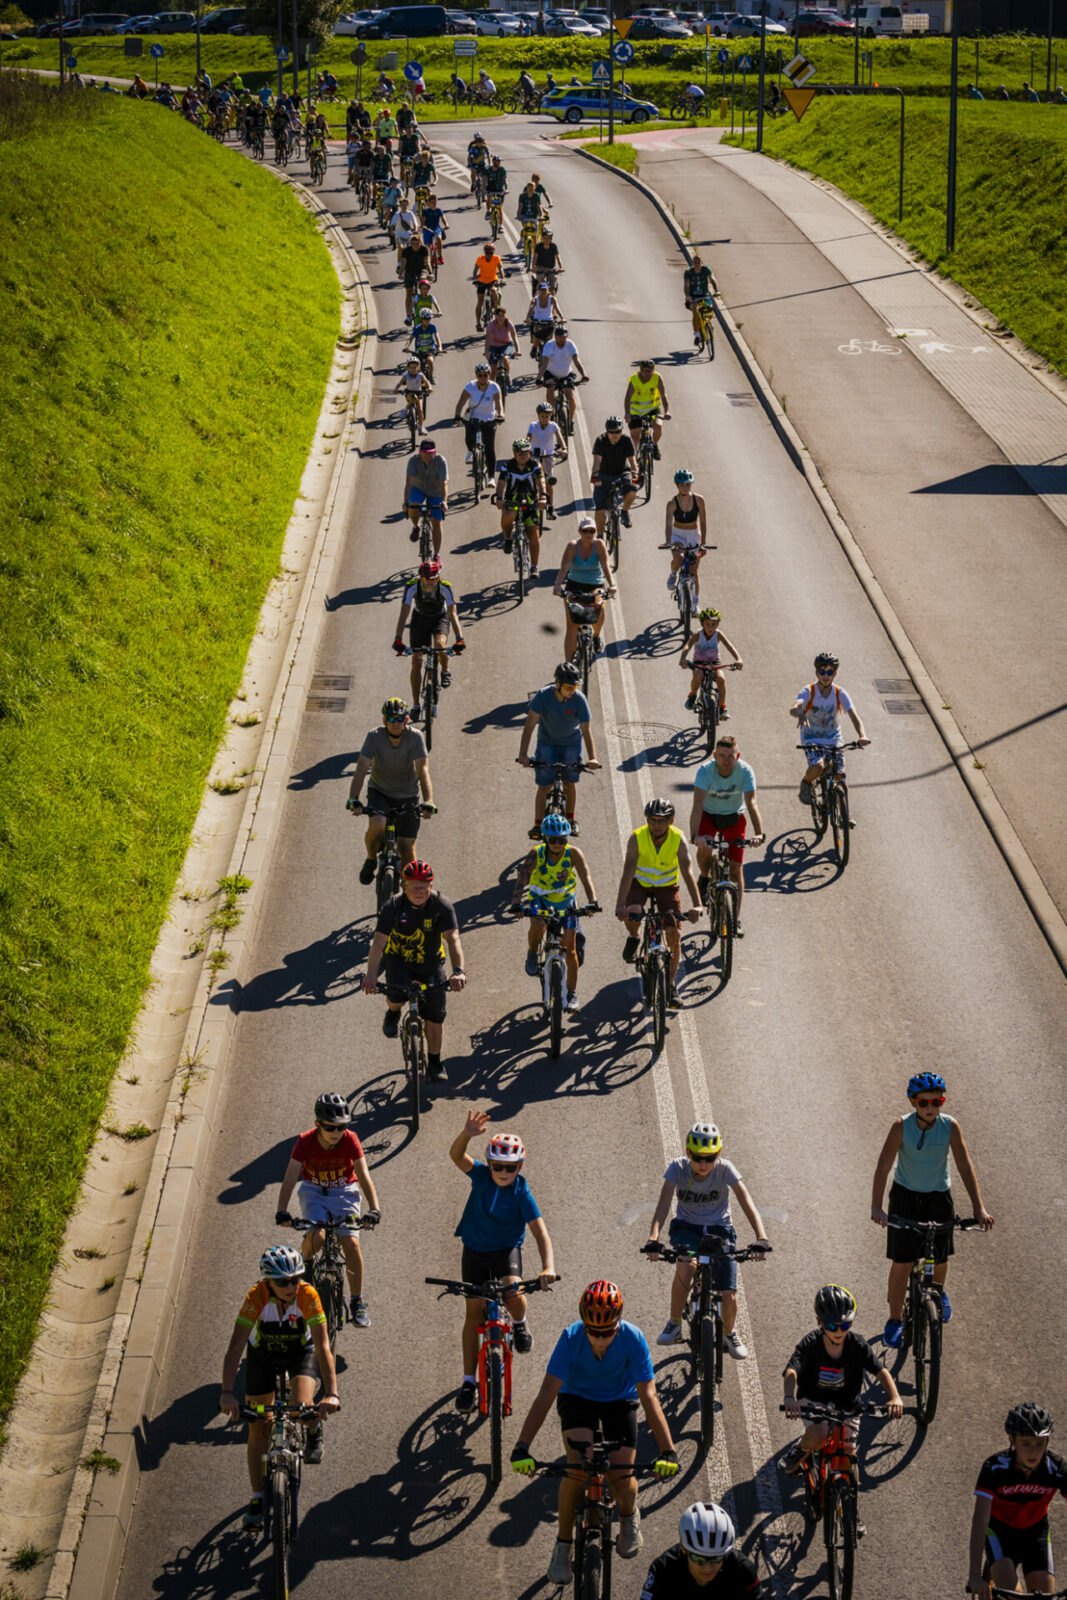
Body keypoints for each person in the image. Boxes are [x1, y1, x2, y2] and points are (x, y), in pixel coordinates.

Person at [511, 1280, 681, 1586]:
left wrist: (668, 1451)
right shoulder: (570, 1337)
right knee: (577, 1469)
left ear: (618, 1324)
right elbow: (547, 1394)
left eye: (607, 1332)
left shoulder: (634, 1339)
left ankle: (628, 1515)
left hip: (619, 1400)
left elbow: (649, 1396)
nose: (600, 1339)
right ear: (584, 1324)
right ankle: (563, 1545)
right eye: (593, 1331)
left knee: (622, 1475)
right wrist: (522, 1446)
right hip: (577, 1398)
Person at [870, 1071, 994, 1347]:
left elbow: (964, 1166)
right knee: (902, 1262)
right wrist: (877, 1207)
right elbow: (883, 1167)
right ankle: (894, 1319)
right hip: (905, 1198)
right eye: (924, 1102)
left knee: (940, 1257)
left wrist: (979, 1208)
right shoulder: (901, 1127)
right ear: (913, 1102)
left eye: (937, 1102)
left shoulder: (950, 1126)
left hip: (938, 1198)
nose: (930, 1108)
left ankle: (938, 1292)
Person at [219, 1246, 340, 1527]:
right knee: (258, 1426)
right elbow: (235, 1347)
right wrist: (226, 1393)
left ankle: (313, 1427)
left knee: (301, 1410)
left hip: (300, 1354)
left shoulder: (308, 1295)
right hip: (263, 1356)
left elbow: (323, 1346)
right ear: (268, 1282)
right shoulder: (256, 1296)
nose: (291, 1287)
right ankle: (257, 1497)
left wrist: (332, 1393)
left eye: (296, 1279)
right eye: (283, 1282)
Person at [450, 1112, 557, 1409]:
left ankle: (520, 1324)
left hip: (506, 1250)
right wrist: (467, 1134)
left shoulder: (521, 1191)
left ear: (519, 1167)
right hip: (474, 1251)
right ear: (490, 1164)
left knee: (514, 1292)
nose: (503, 1172)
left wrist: (548, 1267)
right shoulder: (481, 1176)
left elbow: (540, 1232)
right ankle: (468, 1382)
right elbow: (456, 1156)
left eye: (510, 1167)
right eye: (497, 1165)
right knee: (473, 1314)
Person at [781, 1283, 904, 1531]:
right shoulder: (811, 1344)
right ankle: (800, 1449)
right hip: (813, 1402)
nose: (839, 1331)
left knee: (848, 1458)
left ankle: (851, 1509)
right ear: (819, 1322)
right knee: (819, 1434)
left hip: (847, 1406)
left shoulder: (857, 1345)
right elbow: (792, 1371)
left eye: (845, 1326)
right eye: (831, 1326)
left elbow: (880, 1371)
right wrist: (789, 1397)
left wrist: (895, 1397)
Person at [645, 1120, 770, 1353]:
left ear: (718, 1154)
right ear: (687, 1152)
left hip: (719, 1229)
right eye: (697, 1157)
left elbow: (746, 1201)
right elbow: (663, 1204)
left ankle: (729, 1334)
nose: (703, 1164)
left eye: (710, 1158)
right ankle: (674, 1324)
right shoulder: (678, 1168)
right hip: (686, 1227)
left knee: (728, 1294)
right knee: (685, 1265)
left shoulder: (725, 1169)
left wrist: (761, 1237)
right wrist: (653, 1238)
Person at [275, 1093, 380, 1329]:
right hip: (315, 1191)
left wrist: (374, 1209)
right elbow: (290, 1177)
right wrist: (282, 1210)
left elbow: (363, 1175)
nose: (336, 1132)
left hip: (344, 1191)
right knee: (317, 1237)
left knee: (351, 1243)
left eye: (341, 1127)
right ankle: (306, 1263)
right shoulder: (304, 1142)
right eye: (330, 1127)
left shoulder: (350, 1139)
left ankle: (357, 1300)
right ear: (318, 1124)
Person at [361, 859, 465, 1080]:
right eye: (415, 887)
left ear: (431, 885)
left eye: (424, 887)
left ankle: (435, 1063)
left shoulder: (441, 905)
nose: (420, 892)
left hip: (431, 963)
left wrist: (458, 971)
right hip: (398, 961)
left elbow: (453, 938)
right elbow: (378, 942)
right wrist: (371, 976)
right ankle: (393, 1012)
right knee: (396, 997)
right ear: (404, 886)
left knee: (435, 1016)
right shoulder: (393, 906)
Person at [968, 1404, 1065, 1600]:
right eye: (1026, 1443)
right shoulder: (994, 1468)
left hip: (1036, 1534)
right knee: (1014, 1597)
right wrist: (975, 1576)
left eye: (1040, 1443)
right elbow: (980, 1522)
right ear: (1012, 1440)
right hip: (1000, 1533)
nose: (1033, 1451)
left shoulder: (1056, 1468)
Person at [616, 798, 702, 1006]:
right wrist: (620, 905)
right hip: (640, 883)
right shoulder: (637, 838)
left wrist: (697, 904)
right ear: (647, 820)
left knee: (674, 934)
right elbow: (628, 872)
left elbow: (688, 872)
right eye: (653, 820)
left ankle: (670, 986)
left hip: (666, 886)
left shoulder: (678, 838)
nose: (657, 825)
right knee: (633, 913)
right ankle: (634, 936)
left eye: (662, 820)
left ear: (671, 821)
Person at [510, 813, 599, 1006]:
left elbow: (586, 877)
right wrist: (516, 903)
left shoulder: (574, 854)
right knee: (537, 922)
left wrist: (592, 901)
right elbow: (522, 878)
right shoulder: (536, 854)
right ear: (545, 838)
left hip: (565, 902)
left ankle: (572, 993)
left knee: (571, 949)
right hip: (540, 899)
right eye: (552, 840)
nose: (557, 844)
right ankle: (533, 952)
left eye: (561, 840)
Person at [688, 735, 764, 936]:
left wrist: (759, 833)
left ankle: (735, 920)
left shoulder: (745, 771)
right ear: (715, 756)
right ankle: (705, 876)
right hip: (709, 815)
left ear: (737, 756)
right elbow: (697, 804)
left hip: (734, 817)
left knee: (736, 869)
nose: (726, 760)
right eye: (722, 756)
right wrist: (695, 835)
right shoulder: (705, 771)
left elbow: (752, 803)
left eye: (731, 756)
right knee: (705, 848)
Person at [347, 699, 434, 874]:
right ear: (384, 720)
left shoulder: (416, 737)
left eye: (400, 719)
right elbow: (362, 767)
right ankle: (371, 858)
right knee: (378, 824)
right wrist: (353, 798)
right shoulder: (374, 736)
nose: (396, 723)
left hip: (407, 794)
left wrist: (428, 801)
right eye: (391, 719)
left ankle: (408, 886)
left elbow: (422, 770)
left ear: (406, 720)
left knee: (406, 847)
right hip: (380, 791)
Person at [518, 662, 601, 838]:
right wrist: (523, 754)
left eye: (575, 687)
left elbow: (586, 730)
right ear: (557, 685)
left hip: (571, 744)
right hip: (547, 743)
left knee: (570, 782)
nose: (572, 691)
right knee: (544, 786)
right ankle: (538, 824)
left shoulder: (579, 699)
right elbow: (530, 725)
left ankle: (570, 820)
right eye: (569, 687)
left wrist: (593, 757)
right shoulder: (543, 696)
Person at [790, 651, 870, 807]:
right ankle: (806, 782)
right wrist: (799, 713)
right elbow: (795, 707)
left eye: (829, 672)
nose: (825, 676)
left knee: (840, 777)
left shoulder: (840, 693)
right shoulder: (809, 691)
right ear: (816, 673)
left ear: (835, 673)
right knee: (819, 767)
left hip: (834, 739)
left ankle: (845, 814)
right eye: (822, 672)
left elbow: (855, 717)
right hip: (812, 739)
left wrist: (862, 735)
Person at [640, 1502, 762, 1597]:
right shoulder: (662, 1570)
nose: (708, 1568)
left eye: (716, 1559)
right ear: (684, 1548)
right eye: (699, 1559)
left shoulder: (743, 1571)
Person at [393, 558, 464, 708]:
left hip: (440, 617)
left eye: (434, 579)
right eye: (426, 579)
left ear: (438, 577)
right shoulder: (412, 586)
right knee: (416, 660)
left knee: (440, 645)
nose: (430, 583)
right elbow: (404, 613)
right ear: (420, 577)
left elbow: (453, 614)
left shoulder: (445, 587)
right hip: (420, 619)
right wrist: (398, 638)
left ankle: (445, 670)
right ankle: (416, 705)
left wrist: (460, 639)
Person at [554, 517, 615, 662]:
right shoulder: (572, 546)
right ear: (579, 531)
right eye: (585, 531)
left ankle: (596, 635)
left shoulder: (599, 545)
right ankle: (569, 664)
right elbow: (565, 566)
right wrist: (557, 584)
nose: (588, 534)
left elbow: (605, 565)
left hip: (595, 585)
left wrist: (612, 585)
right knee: (572, 627)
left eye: (592, 531)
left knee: (599, 609)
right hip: (574, 585)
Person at [495, 440, 547, 574]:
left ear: (529, 453)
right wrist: (499, 498)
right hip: (512, 502)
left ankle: (534, 567)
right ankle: (508, 538)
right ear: (514, 454)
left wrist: (543, 497)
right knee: (508, 516)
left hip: (530, 503)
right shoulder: (507, 466)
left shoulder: (535, 465)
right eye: (519, 453)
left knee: (533, 533)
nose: (522, 455)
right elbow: (501, 484)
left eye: (525, 452)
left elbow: (541, 482)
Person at [680, 605, 741, 717]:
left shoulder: (718, 634)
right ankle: (692, 695)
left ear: (717, 624)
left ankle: (722, 707)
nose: (710, 627)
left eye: (714, 624)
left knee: (721, 679)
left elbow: (729, 646)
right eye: (707, 624)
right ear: (702, 624)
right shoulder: (697, 634)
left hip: (714, 663)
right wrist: (683, 658)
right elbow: (687, 646)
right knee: (698, 676)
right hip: (699, 663)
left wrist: (738, 659)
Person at [454, 362, 504, 476]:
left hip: (489, 419)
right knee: (469, 438)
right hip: (474, 418)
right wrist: (457, 415)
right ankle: (470, 451)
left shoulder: (494, 387)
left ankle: (491, 478)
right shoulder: (470, 386)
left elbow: (499, 403)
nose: (483, 377)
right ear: (476, 375)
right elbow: (461, 402)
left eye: (485, 375)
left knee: (489, 449)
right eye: (480, 375)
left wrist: (501, 415)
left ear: (489, 375)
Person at [665, 468, 708, 596]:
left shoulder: (699, 500)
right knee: (679, 557)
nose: (685, 487)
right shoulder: (672, 503)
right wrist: (668, 542)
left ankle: (694, 603)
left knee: (694, 571)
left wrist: (703, 543)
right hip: (678, 535)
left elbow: (703, 522)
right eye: (682, 485)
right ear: (677, 486)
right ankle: (673, 574)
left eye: (688, 484)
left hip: (693, 535)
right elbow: (668, 525)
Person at [591, 415, 637, 535]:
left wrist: (635, 474)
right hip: (603, 474)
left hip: (622, 472)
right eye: (611, 432)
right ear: (607, 432)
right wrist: (595, 476)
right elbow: (597, 461)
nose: (614, 434)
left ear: (621, 431)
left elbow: (632, 461)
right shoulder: (600, 440)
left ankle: (625, 511)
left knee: (632, 489)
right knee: (600, 507)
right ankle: (600, 537)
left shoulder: (626, 440)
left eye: (617, 432)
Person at [403, 436, 448, 554]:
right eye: (424, 452)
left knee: (436, 522)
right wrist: (406, 502)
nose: (427, 455)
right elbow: (409, 483)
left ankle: (437, 555)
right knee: (413, 506)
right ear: (420, 452)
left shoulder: (441, 461)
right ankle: (416, 526)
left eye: (430, 453)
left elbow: (444, 484)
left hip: (436, 492)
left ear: (435, 452)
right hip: (419, 489)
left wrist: (444, 502)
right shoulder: (413, 461)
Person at [539, 322, 587, 427]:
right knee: (550, 388)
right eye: (559, 337)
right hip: (551, 374)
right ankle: (551, 414)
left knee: (571, 397)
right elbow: (544, 364)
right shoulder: (549, 345)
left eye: (564, 337)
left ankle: (571, 421)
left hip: (566, 374)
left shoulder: (570, 345)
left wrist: (584, 375)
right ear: (555, 337)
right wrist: (539, 378)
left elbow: (577, 362)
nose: (562, 339)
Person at [527, 401, 567, 518]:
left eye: (547, 416)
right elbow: (528, 437)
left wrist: (564, 448)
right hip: (534, 456)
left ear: (551, 415)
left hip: (548, 456)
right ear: (538, 416)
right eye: (542, 416)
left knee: (549, 482)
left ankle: (550, 507)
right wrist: (525, 446)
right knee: (531, 479)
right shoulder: (533, 425)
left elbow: (560, 438)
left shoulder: (553, 426)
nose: (544, 419)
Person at [625, 358, 670, 459]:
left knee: (658, 426)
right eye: (645, 371)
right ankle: (634, 462)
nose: (648, 373)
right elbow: (627, 398)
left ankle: (654, 446)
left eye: (650, 371)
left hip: (653, 409)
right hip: (636, 412)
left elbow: (664, 395)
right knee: (635, 439)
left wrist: (667, 411)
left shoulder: (657, 378)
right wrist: (627, 413)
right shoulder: (634, 380)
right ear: (641, 370)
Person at [683, 253, 719, 347]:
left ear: (702, 262)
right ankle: (697, 334)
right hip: (693, 297)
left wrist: (716, 290)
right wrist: (687, 296)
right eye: (695, 262)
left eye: (698, 262)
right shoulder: (688, 272)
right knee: (696, 312)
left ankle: (708, 325)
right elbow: (686, 285)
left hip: (704, 295)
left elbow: (712, 279)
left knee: (710, 309)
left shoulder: (706, 269)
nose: (697, 264)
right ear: (693, 263)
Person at [394, 355, 433, 433]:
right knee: (411, 399)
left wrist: (430, 388)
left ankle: (421, 427)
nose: (413, 369)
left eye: (415, 367)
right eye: (411, 367)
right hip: (409, 392)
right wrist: (396, 389)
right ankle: (405, 410)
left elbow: (427, 382)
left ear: (418, 367)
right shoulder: (406, 375)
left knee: (420, 410)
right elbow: (400, 383)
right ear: (408, 368)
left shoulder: (420, 375)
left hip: (419, 393)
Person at [471, 241, 504, 330]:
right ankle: (478, 323)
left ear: (493, 252)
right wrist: (475, 280)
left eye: (491, 253)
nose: (489, 255)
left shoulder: (496, 258)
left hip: (493, 280)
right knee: (480, 302)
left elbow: (501, 269)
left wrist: (503, 279)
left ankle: (496, 307)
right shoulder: (480, 258)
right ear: (484, 252)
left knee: (493, 290)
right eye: (487, 253)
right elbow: (475, 270)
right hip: (482, 281)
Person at [484, 303, 519, 385]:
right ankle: (492, 388)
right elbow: (488, 340)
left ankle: (507, 375)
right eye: (499, 315)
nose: (501, 317)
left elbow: (514, 337)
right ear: (495, 316)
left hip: (506, 345)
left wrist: (517, 350)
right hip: (494, 346)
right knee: (493, 370)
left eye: (502, 315)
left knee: (506, 359)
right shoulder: (491, 324)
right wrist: (486, 351)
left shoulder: (509, 323)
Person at [527, 280, 562, 361]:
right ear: (538, 291)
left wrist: (562, 317)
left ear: (548, 290)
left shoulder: (552, 299)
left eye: (545, 290)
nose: (543, 292)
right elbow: (531, 309)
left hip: (549, 321)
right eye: (541, 290)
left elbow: (557, 309)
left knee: (549, 340)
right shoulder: (535, 299)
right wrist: (527, 318)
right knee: (537, 335)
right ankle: (534, 347)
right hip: (537, 321)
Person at [406, 307, 442, 385]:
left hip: (430, 350)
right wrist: (407, 346)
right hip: (419, 350)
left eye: (429, 319)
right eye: (425, 319)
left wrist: (439, 347)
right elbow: (411, 338)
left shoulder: (432, 327)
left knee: (430, 361)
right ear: (421, 319)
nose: (427, 321)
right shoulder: (417, 328)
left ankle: (431, 376)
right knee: (416, 367)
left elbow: (437, 337)